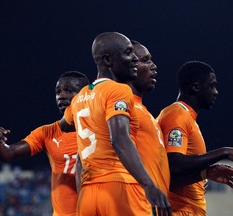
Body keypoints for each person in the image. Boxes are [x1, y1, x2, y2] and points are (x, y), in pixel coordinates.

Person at [60, 32, 171, 216]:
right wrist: (149, 185)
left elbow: (65, 126)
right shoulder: (119, 90)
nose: (134, 59)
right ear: (108, 60)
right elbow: (119, 139)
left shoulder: (79, 98)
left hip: (88, 194)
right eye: (128, 53)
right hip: (119, 187)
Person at [156, 61, 233, 216]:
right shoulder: (177, 115)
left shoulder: (186, 117)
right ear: (196, 87)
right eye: (212, 86)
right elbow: (174, 165)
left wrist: (204, 174)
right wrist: (224, 152)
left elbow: (172, 178)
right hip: (179, 211)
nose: (216, 92)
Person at [0, 71, 90, 216]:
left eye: (69, 90)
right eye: (58, 91)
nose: (61, 95)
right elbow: (8, 153)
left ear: (86, 94)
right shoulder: (48, 132)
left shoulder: (102, 127)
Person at [128, 40, 170, 197]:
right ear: (129, 64)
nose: (154, 66)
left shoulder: (145, 113)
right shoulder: (122, 107)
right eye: (145, 60)